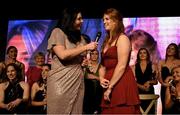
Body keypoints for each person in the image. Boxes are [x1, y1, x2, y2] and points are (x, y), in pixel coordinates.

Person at [47, 8, 98, 114]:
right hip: (60, 83)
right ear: (70, 20)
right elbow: (63, 55)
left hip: (77, 82)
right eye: (79, 19)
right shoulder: (57, 32)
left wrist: (82, 63)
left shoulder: (80, 38)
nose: (82, 21)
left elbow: (77, 58)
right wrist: (86, 47)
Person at [99, 8, 140, 114]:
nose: (104, 22)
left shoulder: (122, 39)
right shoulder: (106, 41)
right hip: (109, 82)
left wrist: (110, 88)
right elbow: (103, 66)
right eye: (103, 19)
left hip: (121, 82)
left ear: (115, 21)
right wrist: (101, 78)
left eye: (107, 19)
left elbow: (122, 65)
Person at [131, 48, 158, 114]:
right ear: (138, 55)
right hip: (138, 91)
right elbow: (132, 82)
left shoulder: (153, 66)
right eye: (140, 53)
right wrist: (141, 86)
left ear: (147, 55)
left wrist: (149, 82)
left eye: (144, 53)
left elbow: (156, 81)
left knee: (150, 112)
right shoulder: (134, 67)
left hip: (149, 91)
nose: (142, 54)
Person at [158, 43, 180, 114]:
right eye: (168, 48)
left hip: (177, 86)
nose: (169, 50)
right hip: (164, 87)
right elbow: (159, 76)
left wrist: (170, 77)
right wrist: (164, 84)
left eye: (172, 48)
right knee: (166, 108)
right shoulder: (161, 62)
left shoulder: (179, 62)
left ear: (176, 51)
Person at [83, 49, 103, 114]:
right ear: (90, 55)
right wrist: (97, 78)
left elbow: (103, 79)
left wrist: (95, 77)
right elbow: (84, 76)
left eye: (96, 54)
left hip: (97, 92)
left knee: (95, 83)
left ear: (98, 56)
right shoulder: (85, 65)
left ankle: (95, 108)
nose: (94, 55)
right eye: (92, 54)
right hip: (86, 90)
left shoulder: (101, 67)